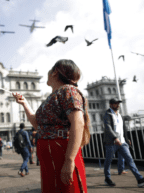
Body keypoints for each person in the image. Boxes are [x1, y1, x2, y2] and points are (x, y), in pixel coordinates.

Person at [13, 59, 90, 192]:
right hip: (50, 156)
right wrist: (25, 103)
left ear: (54, 72)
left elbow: (78, 122)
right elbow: (39, 125)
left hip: (62, 152)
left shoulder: (68, 90)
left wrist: (69, 160)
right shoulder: (53, 96)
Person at [103, 98, 144, 188]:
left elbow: (123, 128)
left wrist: (126, 138)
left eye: (118, 103)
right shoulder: (107, 114)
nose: (118, 105)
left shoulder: (119, 115)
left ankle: (140, 179)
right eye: (115, 103)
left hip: (122, 142)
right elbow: (108, 127)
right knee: (108, 161)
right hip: (111, 142)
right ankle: (107, 178)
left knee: (130, 160)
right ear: (111, 104)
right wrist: (115, 138)